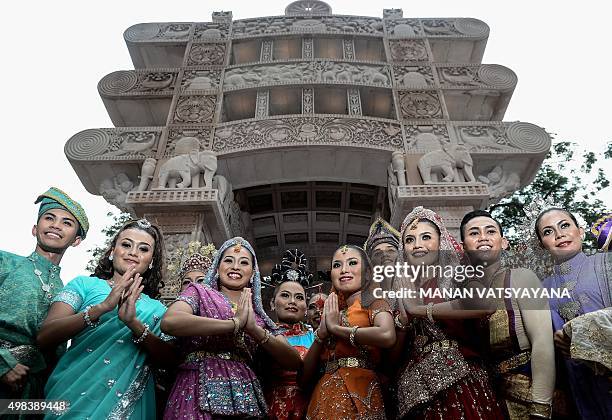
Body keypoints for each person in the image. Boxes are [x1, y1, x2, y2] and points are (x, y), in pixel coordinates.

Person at [37, 218, 176, 419]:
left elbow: (172, 361)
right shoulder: (84, 285)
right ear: (112, 251)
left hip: (130, 406)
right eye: (126, 245)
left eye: (143, 249)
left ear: (152, 260)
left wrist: (134, 324)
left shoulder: (158, 310)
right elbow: (44, 337)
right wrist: (101, 308)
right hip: (72, 394)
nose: (133, 252)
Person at [161, 237, 302, 419]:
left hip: (244, 393)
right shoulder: (199, 292)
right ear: (217, 267)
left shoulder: (257, 314)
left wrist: (254, 329)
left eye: (244, 262)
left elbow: (294, 361)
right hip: (195, 385)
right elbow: (170, 322)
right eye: (228, 260)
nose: (235, 266)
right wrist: (233, 324)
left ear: (253, 273)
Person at [393, 206, 503, 420]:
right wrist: (403, 323)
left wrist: (420, 310)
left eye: (426, 237)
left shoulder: (457, 273)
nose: (417, 245)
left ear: (441, 242)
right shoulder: (402, 288)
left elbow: (485, 304)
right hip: (416, 397)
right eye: (409, 240)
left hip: (461, 385)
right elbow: (393, 360)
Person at [460, 210, 555, 419]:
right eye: (474, 233)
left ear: (503, 243)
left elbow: (542, 340)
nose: (483, 237)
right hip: (488, 400)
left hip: (529, 391)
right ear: (463, 247)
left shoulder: (521, 278)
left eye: (490, 231)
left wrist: (541, 407)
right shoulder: (466, 294)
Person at [0, 187, 88, 407]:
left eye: (67, 223)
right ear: (34, 228)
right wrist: (3, 363)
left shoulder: (70, 292)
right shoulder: (5, 263)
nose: (56, 225)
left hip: (33, 393)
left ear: (76, 241)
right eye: (49, 218)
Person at [301, 244, 396, 419]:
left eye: (352, 263)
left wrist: (337, 329)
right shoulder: (332, 312)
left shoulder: (374, 300)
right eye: (337, 265)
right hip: (323, 396)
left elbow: (387, 335)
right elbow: (304, 376)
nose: (344, 270)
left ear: (367, 273)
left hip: (361, 389)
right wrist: (321, 335)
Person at [534, 207, 612, 419]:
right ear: (542, 244)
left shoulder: (607, 263)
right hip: (578, 383)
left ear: (581, 231)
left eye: (565, 225)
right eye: (548, 232)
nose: (559, 234)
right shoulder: (539, 289)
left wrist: (576, 331)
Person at [264, 249, 315, 420]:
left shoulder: (316, 337)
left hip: (311, 406)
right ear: (272, 303)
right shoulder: (262, 334)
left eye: (299, 297)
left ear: (306, 307)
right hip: (271, 407)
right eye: (285, 295)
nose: (292, 301)